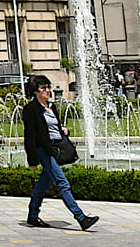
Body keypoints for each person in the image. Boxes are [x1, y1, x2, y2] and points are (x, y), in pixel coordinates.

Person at [22, 74, 99, 232]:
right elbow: (29, 135)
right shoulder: (31, 109)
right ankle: (81, 217)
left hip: (56, 147)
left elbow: (53, 126)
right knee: (62, 183)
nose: (47, 90)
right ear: (35, 91)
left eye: (48, 87)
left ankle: (33, 215)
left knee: (44, 183)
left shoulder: (51, 107)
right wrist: (32, 160)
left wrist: (62, 130)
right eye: (43, 88)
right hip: (44, 150)